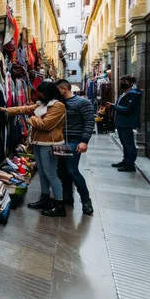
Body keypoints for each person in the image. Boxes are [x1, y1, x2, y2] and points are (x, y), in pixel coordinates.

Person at [0, 82, 67, 217]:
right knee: (42, 172)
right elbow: (25, 109)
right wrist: (6, 110)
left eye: (41, 92)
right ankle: (45, 198)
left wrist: (31, 119)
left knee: (50, 174)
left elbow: (45, 125)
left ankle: (60, 205)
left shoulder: (58, 106)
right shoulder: (43, 104)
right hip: (38, 143)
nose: (39, 95)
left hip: (50, 144)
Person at [55, 79, 94, 215]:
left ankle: (86, 200)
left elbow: (89, 121)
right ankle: (67, 195)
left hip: (74, 140)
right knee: (62, 170)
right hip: (60, 141)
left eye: (57, 90)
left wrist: (84, 141)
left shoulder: (82, 102)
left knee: (72, 170)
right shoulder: (58, 103)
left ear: (64, 88)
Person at [103, 75, 142, 172]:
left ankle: (130, 165)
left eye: (124, 81)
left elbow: (128, 110)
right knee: (124, 144)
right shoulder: (122, 95)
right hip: (120, 122)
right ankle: (125, 161)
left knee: (129, 145)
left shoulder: (134, 95)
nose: (122, 83)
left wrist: (112, 106)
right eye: (121, 81)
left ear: (131, 83)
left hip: (127, 123)